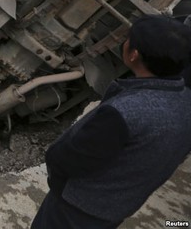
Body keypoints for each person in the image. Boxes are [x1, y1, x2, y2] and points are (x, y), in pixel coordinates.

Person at [32, 15, 191, 229]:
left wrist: (57, 174)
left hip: (77, 207)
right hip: (117, 207)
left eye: (128, 39)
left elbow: (72, 159)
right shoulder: (184, 100)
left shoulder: (123, 114)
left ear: (133, 54)